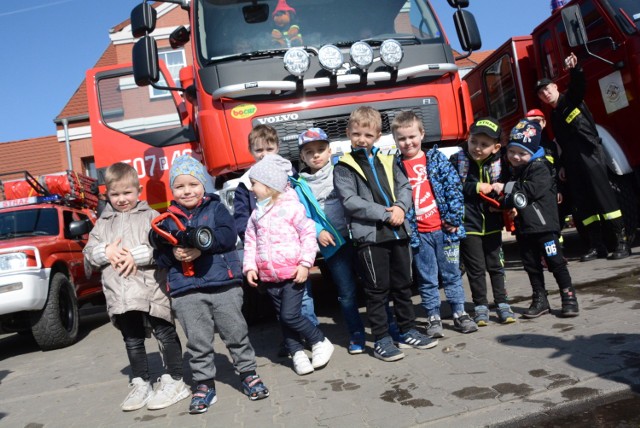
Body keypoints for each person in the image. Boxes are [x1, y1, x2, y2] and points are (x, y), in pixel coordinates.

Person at [155, 155, 269, 414]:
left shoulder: (217, 209)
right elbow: (158, 255)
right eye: (180, 186)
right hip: (186, 291)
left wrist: (200, 249)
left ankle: (248, 373)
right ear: (172, 190)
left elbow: (228, 238)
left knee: (236, 332)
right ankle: (204, 384)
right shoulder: (166, 220)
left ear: (203, 185)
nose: (187, 191)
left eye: (193, 184)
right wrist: (172, 254)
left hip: (223, 285)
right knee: (198, 341)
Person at [333, 106, 437, 362]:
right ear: (348, 133)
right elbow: (350, 201)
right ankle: (380, 339)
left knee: (403, 286)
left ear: (378, 135)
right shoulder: (344, 166)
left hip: (398, 232)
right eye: (356, 133)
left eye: (368, 135)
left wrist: (401, 208)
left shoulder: (390, 158)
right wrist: (385, 213)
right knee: (377, 291)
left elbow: (405, 186)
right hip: (370, 237)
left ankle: (408, 330)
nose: (361, 139)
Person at [83, 162, 189, 412]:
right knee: (131, 339)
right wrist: (104, 251)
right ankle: (141, 382)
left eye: (127, 193)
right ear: (106, 194)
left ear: (138, 190)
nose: (121, 199)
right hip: (120, 293)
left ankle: (175, 379)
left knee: (165, 333)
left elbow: (164, 249)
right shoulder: (102, 223)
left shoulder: (150, 216)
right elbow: (88, 255)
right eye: (115, 194)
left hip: (150, 289)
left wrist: (137, 256)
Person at [243, 154, 335, 375]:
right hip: (269, 277)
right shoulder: (256, 214)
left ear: (269, 185)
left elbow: (307, 236)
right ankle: (297, 353)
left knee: (289, 315)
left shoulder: (292, 208)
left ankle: (319, 340)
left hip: (293, 274)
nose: (251, 188)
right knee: (282, 318)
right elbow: (250, 242)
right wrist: (250, 267)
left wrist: (305, 264)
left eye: (254, 184)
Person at [535, 52, 630, 261]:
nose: (545, 94)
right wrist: (562, 166)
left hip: (590, 155)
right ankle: (597, 246)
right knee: (584, 204)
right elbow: (560, 143)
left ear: (555, 87)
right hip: (572, 162)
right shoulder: (554, 115)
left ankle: (622, 242)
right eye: (541, 93)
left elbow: (579, 84)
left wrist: (575, 69)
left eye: (547, 89)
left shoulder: (571, 98)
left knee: (604, 199)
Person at [392, 111, 478, 337]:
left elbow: (453, 188)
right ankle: (433, 316)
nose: (407, 142)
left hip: (445, 231)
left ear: (421, 134)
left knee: (451, 274)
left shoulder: (436, 159)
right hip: (419, 234)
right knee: (427, 277)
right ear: (395, 141)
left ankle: (459, 312)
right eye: (401, 139)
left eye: (412, 136)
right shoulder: (395, 166)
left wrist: (453, 218)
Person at [233, 124, 318, 349]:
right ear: (251, 151)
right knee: (280, 302)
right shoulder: (246, 184)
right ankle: (291, 342)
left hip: (293, 251)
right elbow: (241, 219)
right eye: (258, 150)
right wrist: (257, 246)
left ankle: (312, 335)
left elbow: (304, 209)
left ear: (278, 148)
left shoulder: (291, 175)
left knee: (304, 297)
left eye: (269, 149)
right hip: (268, 254)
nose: (264, 155)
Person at [290, 127, 367, 354]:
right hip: (334, 246)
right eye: (310, 151)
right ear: (302, 157)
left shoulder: (342, 171)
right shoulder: (299, 185)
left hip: (359, 237)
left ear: (330, 150)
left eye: (321, 149)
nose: (316, 155)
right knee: (346, 293)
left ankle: (385, 328)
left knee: (375, 286)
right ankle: (356, 333)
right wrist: (317, 231)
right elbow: (301, 214)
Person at [493, 119, 579, 318]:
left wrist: (505, 190)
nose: (515, 156)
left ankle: (568, 295)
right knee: (531, 265)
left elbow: (527, 192)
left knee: (556, 262)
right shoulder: (516, 170)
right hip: (525, 229)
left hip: (544, 228)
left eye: (522, 153)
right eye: (512, 151)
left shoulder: (540, 168)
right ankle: (540, 299)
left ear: (533, 152)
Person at [449, 117, 515, 326]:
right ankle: (480, 306)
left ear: (496, 147)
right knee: (475, 268)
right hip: (468, 224)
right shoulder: (456, 159)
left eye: (484, 145)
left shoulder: (502, 162)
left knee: (496, 265)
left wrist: (509, 200)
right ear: (468, 139)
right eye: (474, 141)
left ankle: (502, 303)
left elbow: (511, 185)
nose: (477, 148)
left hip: (493, 222)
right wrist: (477, 187)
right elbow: (452, 187)